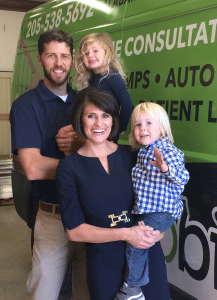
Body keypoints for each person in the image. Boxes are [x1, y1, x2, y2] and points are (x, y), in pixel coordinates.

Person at [56, 87, 171, 300]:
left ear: (113, 120)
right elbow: (74, 231)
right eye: (91, 116)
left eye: (105, 116)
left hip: (146, 255)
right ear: (80, 120)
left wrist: (158, 232)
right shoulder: (69, 167)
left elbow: (160, 200)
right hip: (105, 262)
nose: (99, 124)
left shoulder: (133, 155)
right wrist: (126, 233)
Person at [10, 29, 83, 300]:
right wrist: (85, 168)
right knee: (44, 292)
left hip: (90, 213)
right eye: (51, 55)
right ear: (41, 59)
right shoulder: (26, 106)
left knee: (89, 290)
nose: (59, 63)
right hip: (53, 217)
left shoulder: (84, 102)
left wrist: (79, 151)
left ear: (72, 59)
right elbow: (33, 167)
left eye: (64, 56)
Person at [115, 102, 190, 300]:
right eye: (138, 125)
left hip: (161, 211)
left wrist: (165, 168)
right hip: (150, 210)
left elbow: (183, 177)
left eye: (149, 123)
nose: (143, 128)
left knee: (137, 243)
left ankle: (132, 289)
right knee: (142, 243)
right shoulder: (144, 150)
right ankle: (137, 285)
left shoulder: (166, 151)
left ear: (162, 128)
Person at [74, 32, 133, 139]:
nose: (90, 55)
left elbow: (127, 104)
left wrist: (119, 129)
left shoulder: (112, 76)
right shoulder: (90, 79)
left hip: (107, 132)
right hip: (93, 131)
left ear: (107, 52)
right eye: (86, 53)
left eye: (95, 50)